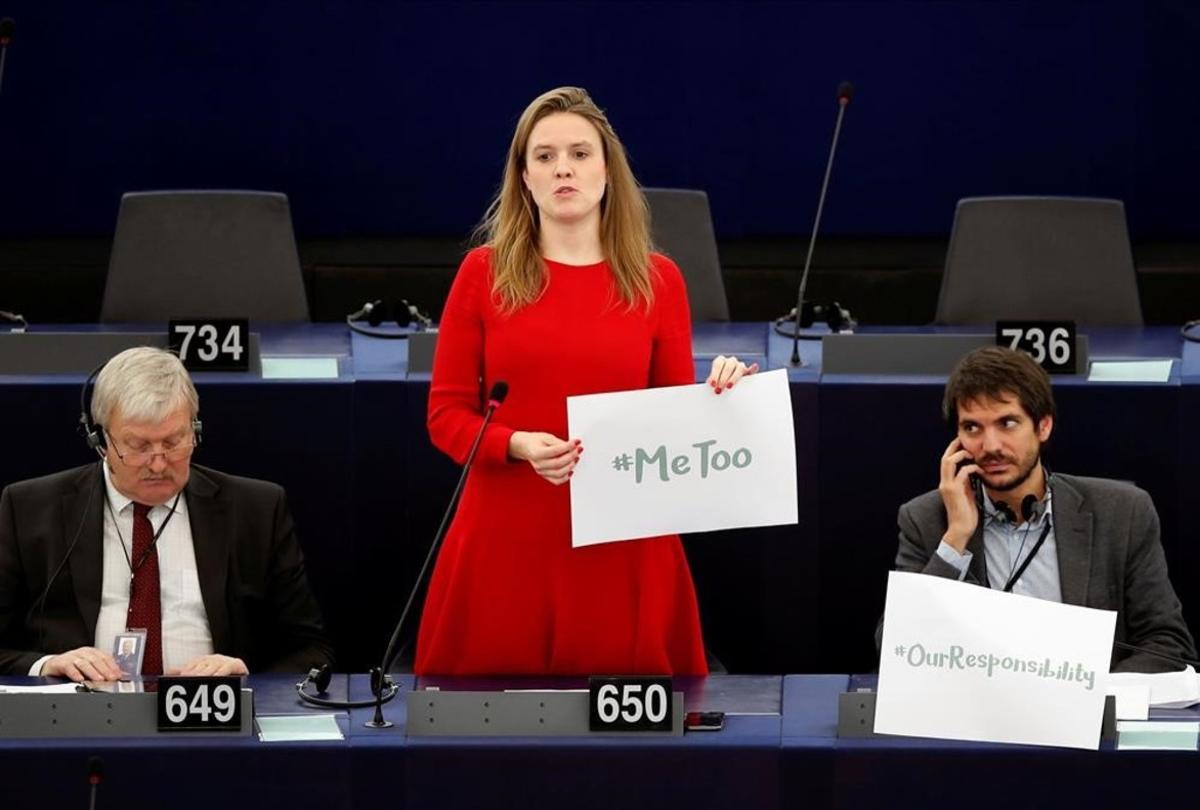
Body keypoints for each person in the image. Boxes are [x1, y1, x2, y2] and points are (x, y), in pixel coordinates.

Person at [415, 87, 756, 675]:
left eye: (579, 153)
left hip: (623, 542)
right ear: (524, 177)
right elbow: (445, 416)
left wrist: (720, 396)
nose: (563, 168)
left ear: (607, 169)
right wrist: (515, 445)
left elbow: (673, 422)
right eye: (544, 157)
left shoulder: (659, 280)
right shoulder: (482, 274)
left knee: (628, 756)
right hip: (506, 539)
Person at [0, 347, 334, 680]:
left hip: (213, 718)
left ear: (196, 429)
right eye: (139, 446)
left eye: (174, 442)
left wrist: (244, 672)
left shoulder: (256, 510)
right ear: (100, 439)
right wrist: (46, 666)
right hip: (76, 718)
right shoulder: (30, 509)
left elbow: (312, 651)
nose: (159, 464)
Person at [886, 346, 1195, 672]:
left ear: (1043, 426)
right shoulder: (927, 520)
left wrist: (1093, 699)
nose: (990, 446)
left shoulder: (1122, 512)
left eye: (1007, 423)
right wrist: (956, 538)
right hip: (975, 715)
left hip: (1085, 717)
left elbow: (1167, 643)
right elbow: (896, 650)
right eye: (973, 428)